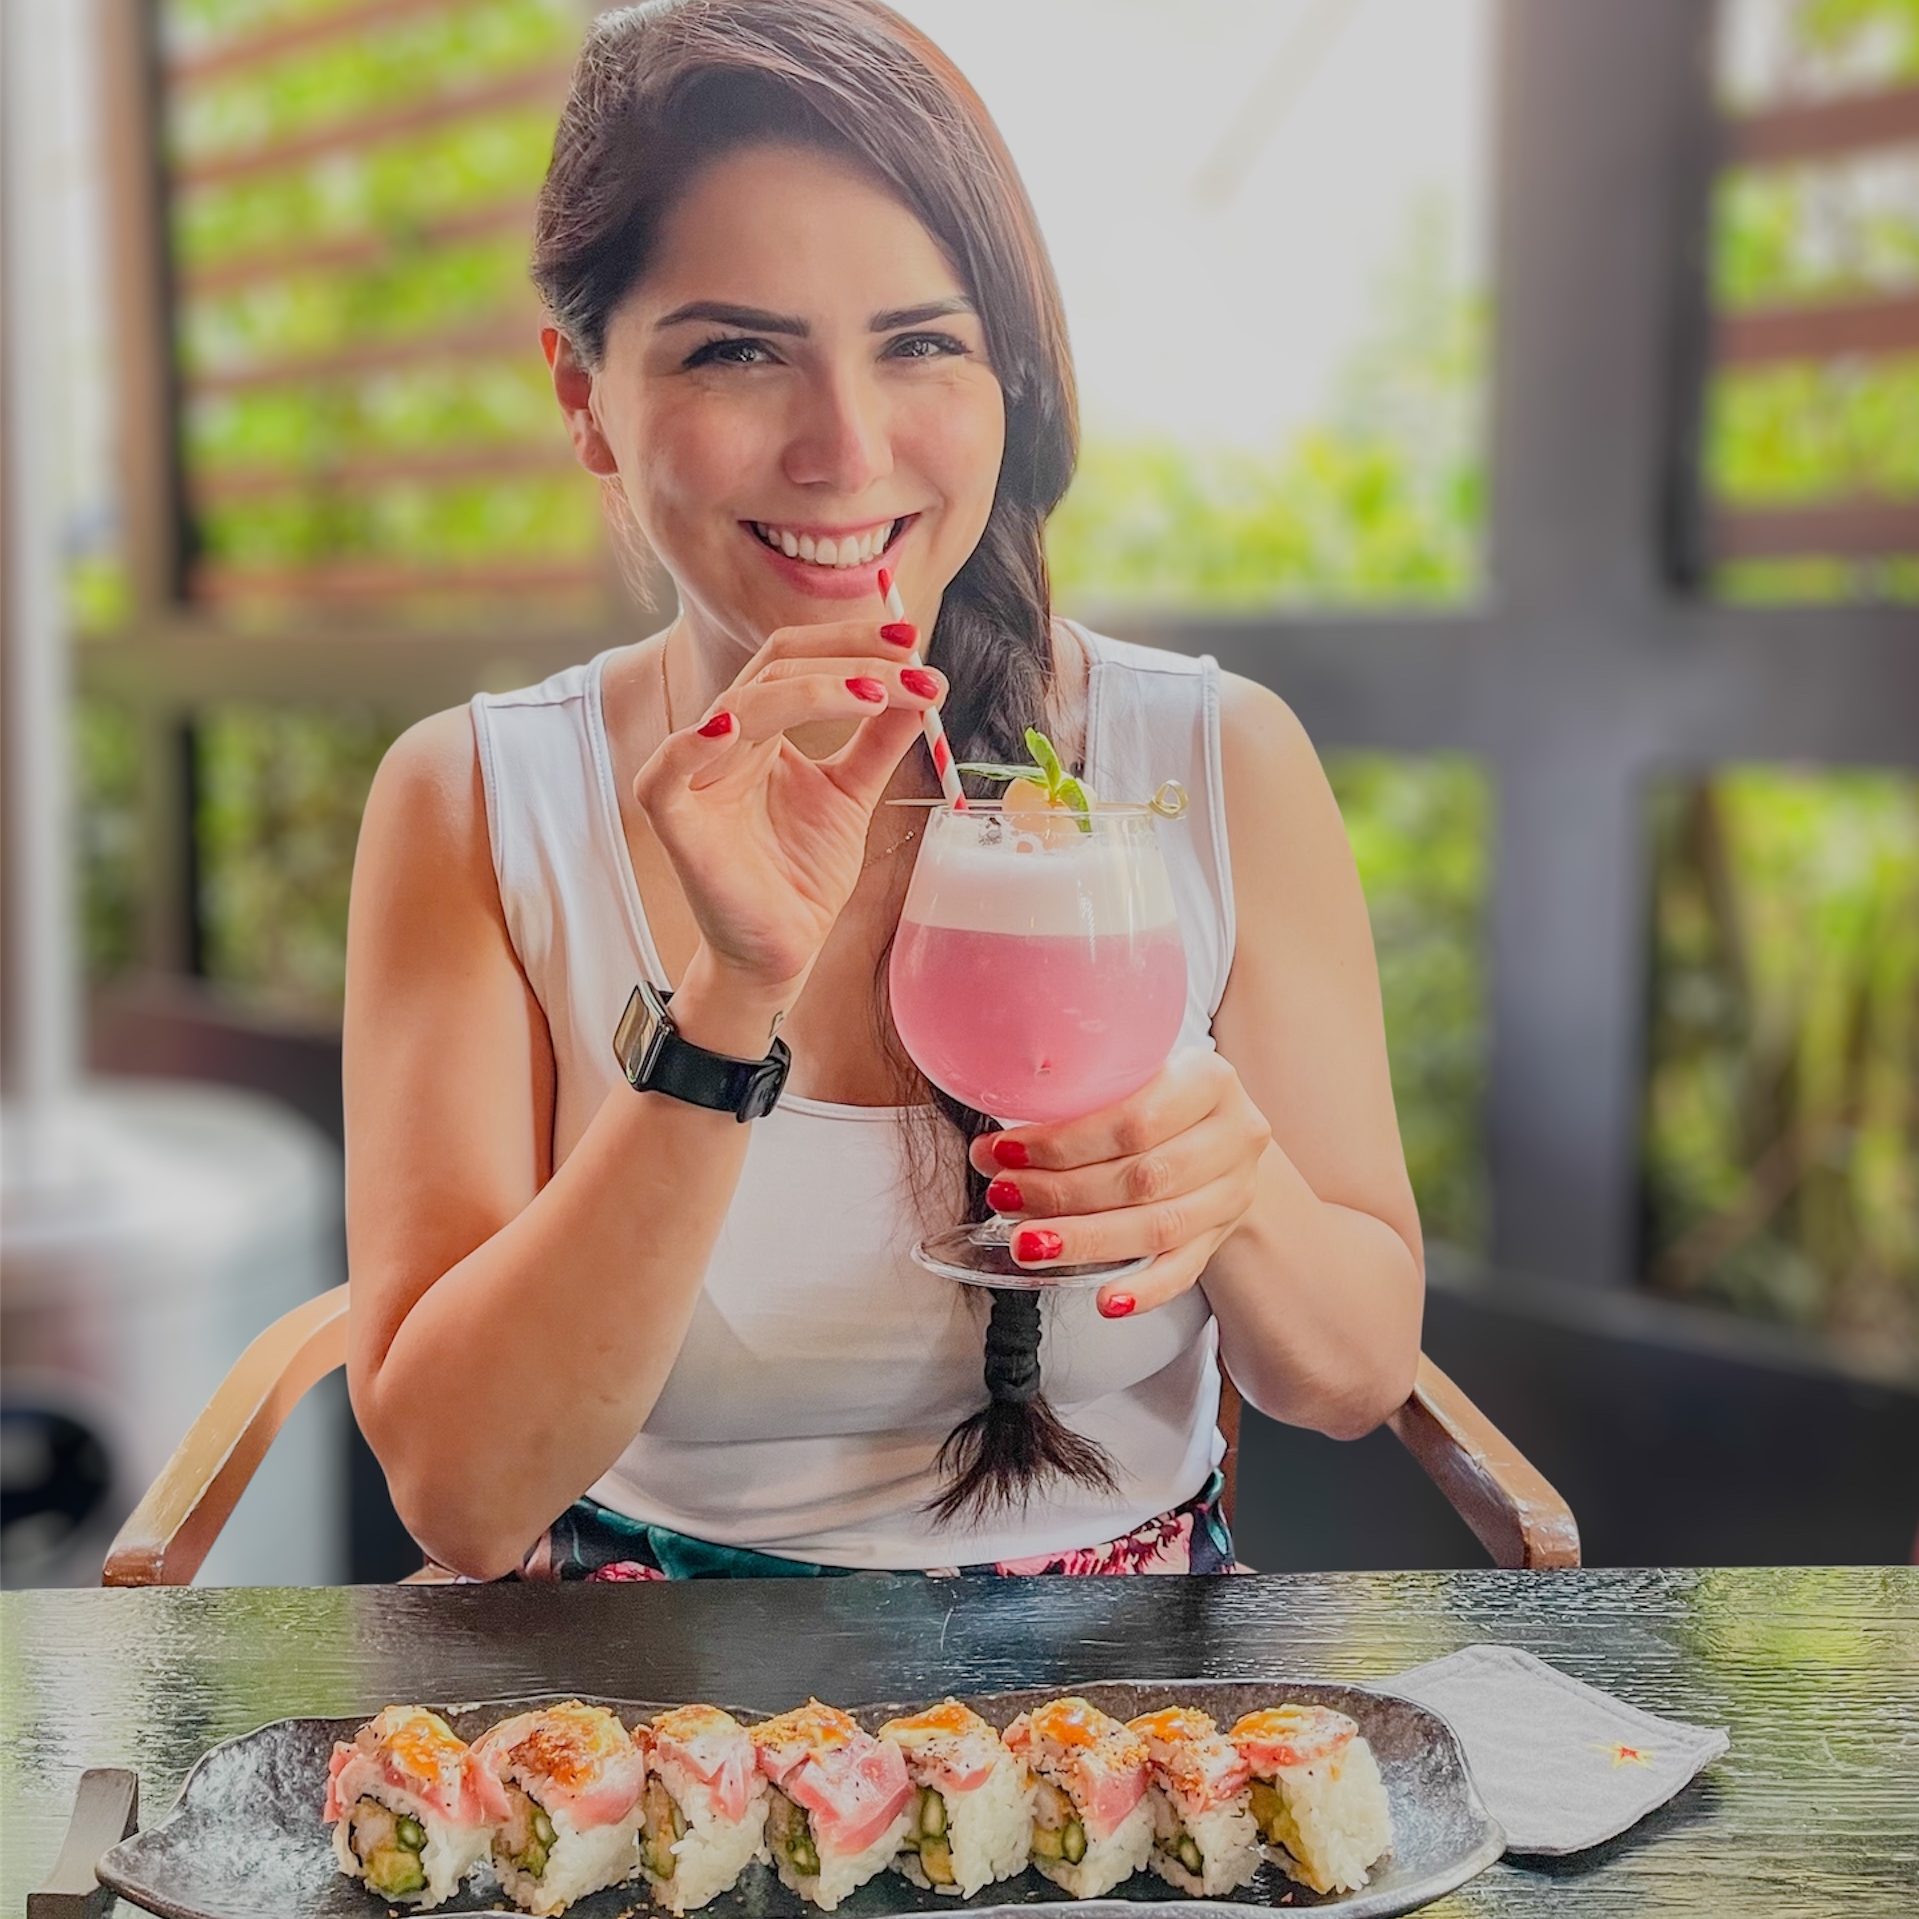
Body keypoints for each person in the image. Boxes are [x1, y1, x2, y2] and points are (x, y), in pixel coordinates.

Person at [342, 0, 1423, 1583]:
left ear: (1009, 380)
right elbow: (464, 1494)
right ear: (584, 397)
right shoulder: (475, 799)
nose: (845, 452)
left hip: (1126, 1697)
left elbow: (1350, 1374)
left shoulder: (1211, 761)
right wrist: (729, 1002)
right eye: (736, 352)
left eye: (921, 343)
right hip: (636, 1692)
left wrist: (1230, 1184)